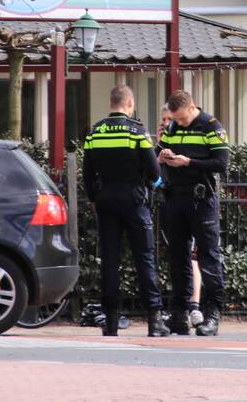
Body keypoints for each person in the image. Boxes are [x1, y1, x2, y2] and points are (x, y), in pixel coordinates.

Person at [83, 85, 169, 338]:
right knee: (145, 258)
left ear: (112, 103)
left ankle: (110, 323)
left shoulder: (94, 132)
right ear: (129, 103)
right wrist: (155, 185)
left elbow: (87, 174)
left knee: (110, 261)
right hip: (134, 201)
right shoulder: (138, 131)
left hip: (106, 200)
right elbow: (154, 173)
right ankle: (154, 321)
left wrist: (94, 198)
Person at [158, 90, 229, 336]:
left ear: (192, 108)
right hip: (176, 197)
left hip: (202, 199)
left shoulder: (211, 127)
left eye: (181, 118)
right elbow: (161, 149)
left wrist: (189, 162)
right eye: (174, 119)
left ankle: (212, 316)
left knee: (208, 257)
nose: (178, 123)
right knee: (177, 257)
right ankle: (179, 315)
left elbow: (221, 163)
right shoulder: (174, 127)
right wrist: (164, 155)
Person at [156, 104, 204, 329]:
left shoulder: (185, 138)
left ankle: (193, 305)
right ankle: (181, 308)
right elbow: (155, 174)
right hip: (170, 200)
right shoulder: (165, 141)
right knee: (177, 256)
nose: (166, 123)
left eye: (169, 119)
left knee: (191, 256)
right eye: (164, 119)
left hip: (191, 202)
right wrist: (158, 152)